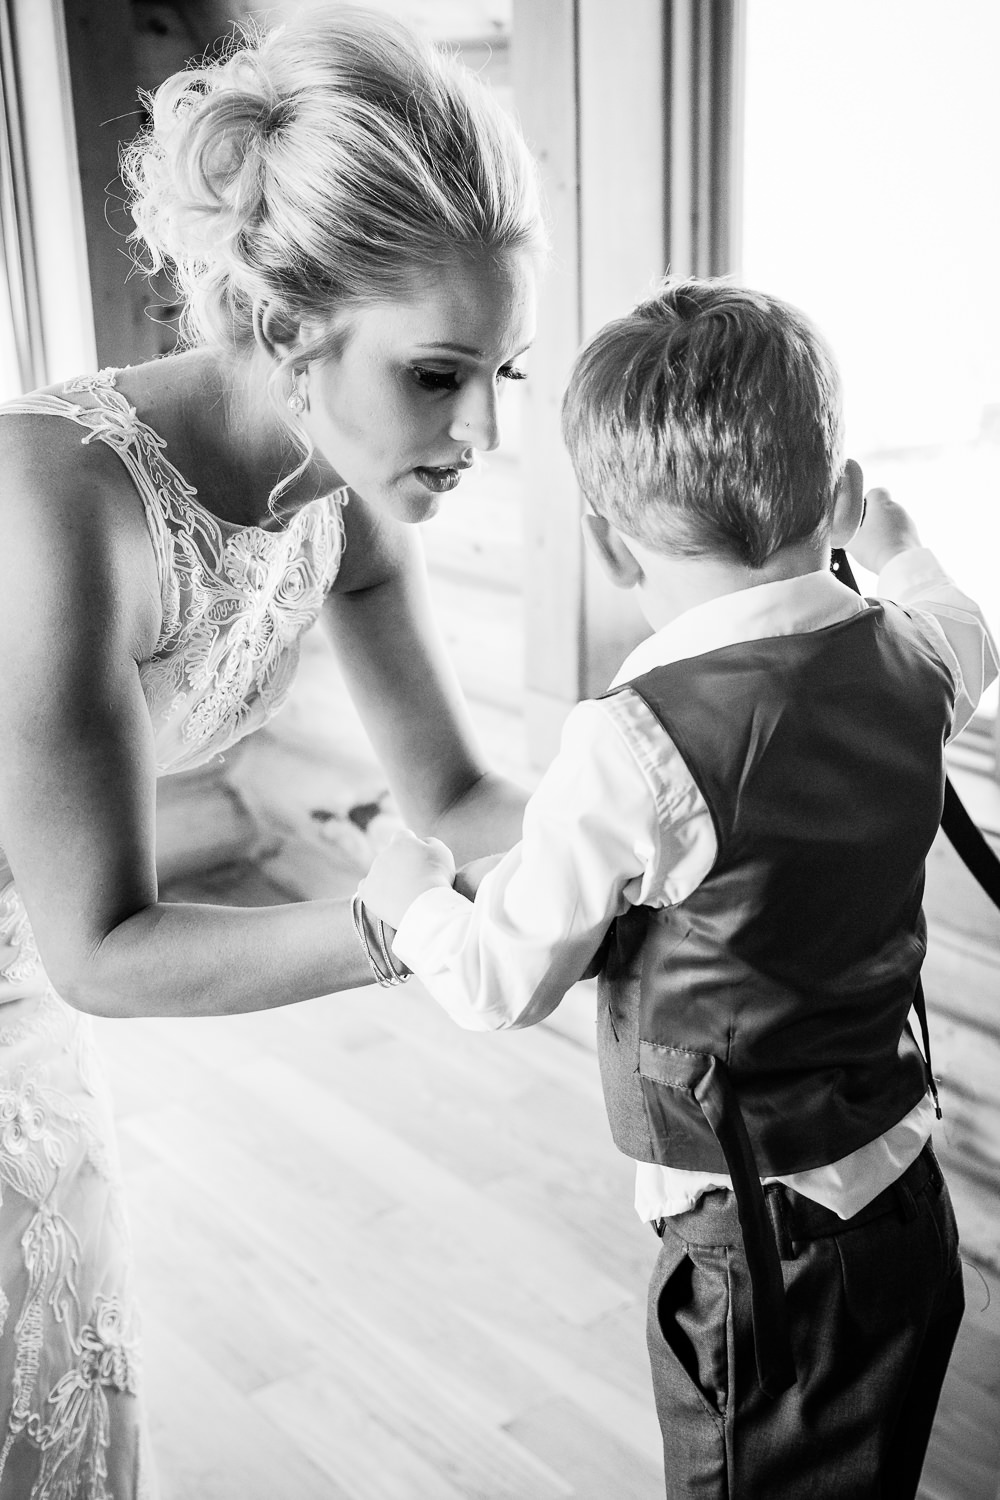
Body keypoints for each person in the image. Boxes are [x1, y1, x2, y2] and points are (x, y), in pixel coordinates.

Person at [0, 6, 544, 1493]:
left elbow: (461, 797)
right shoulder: (56, 506)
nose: (480, 433)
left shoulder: (345, 500)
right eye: (439, 375)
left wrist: (674, 793)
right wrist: (392, 933)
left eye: (506, 374)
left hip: (31, 971)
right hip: (41, 954)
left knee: (58, 1350)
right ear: (293, 322)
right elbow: (102, 949)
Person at [359, 278, 1000, 1499]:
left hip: (756, 1256)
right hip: (904, 1199)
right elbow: (961, 620)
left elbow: (497, 983)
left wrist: (415, 895)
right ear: (845, 501)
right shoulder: (917, 659)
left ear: (609, 542)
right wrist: (900, 545)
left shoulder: (635, 746)